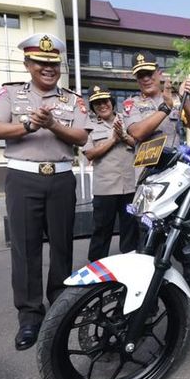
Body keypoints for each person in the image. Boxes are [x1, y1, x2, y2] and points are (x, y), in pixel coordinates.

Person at [0, 33, 92, 351]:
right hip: (23, 178)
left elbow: (82, 138)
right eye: (41, 62)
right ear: (28, 64)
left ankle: (59, 307)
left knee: (62, 246)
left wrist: (53, 126)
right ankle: (30, 316)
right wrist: (29, 125)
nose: (48, 68)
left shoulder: (73, 99)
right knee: (26, 249)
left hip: (60, 179)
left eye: (53, 63)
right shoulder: (10, 94)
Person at [83, 85, 139, 262]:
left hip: (129, 186)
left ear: (112, 102)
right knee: (101, 230)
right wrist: (113, 140)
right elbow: (90, 153)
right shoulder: (89, 126)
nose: (102, 105)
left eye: (105, 101)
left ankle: (130, 263)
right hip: (105, 189)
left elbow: (137, 144)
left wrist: (122, 135)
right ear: (93, 107)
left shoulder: (127, 121)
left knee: (130, 229)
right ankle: (96, 270)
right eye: (97, 103)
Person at [122, 50, 190, 155]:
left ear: (159, 74)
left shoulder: (176, 99)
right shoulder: (131, 103)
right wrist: (166, 108)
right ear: (136, 79)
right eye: (141, 75)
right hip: (148, 168)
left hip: (174, 166)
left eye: (149, 73)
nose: (146, 79)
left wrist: (183, 98)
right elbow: (137, 133)